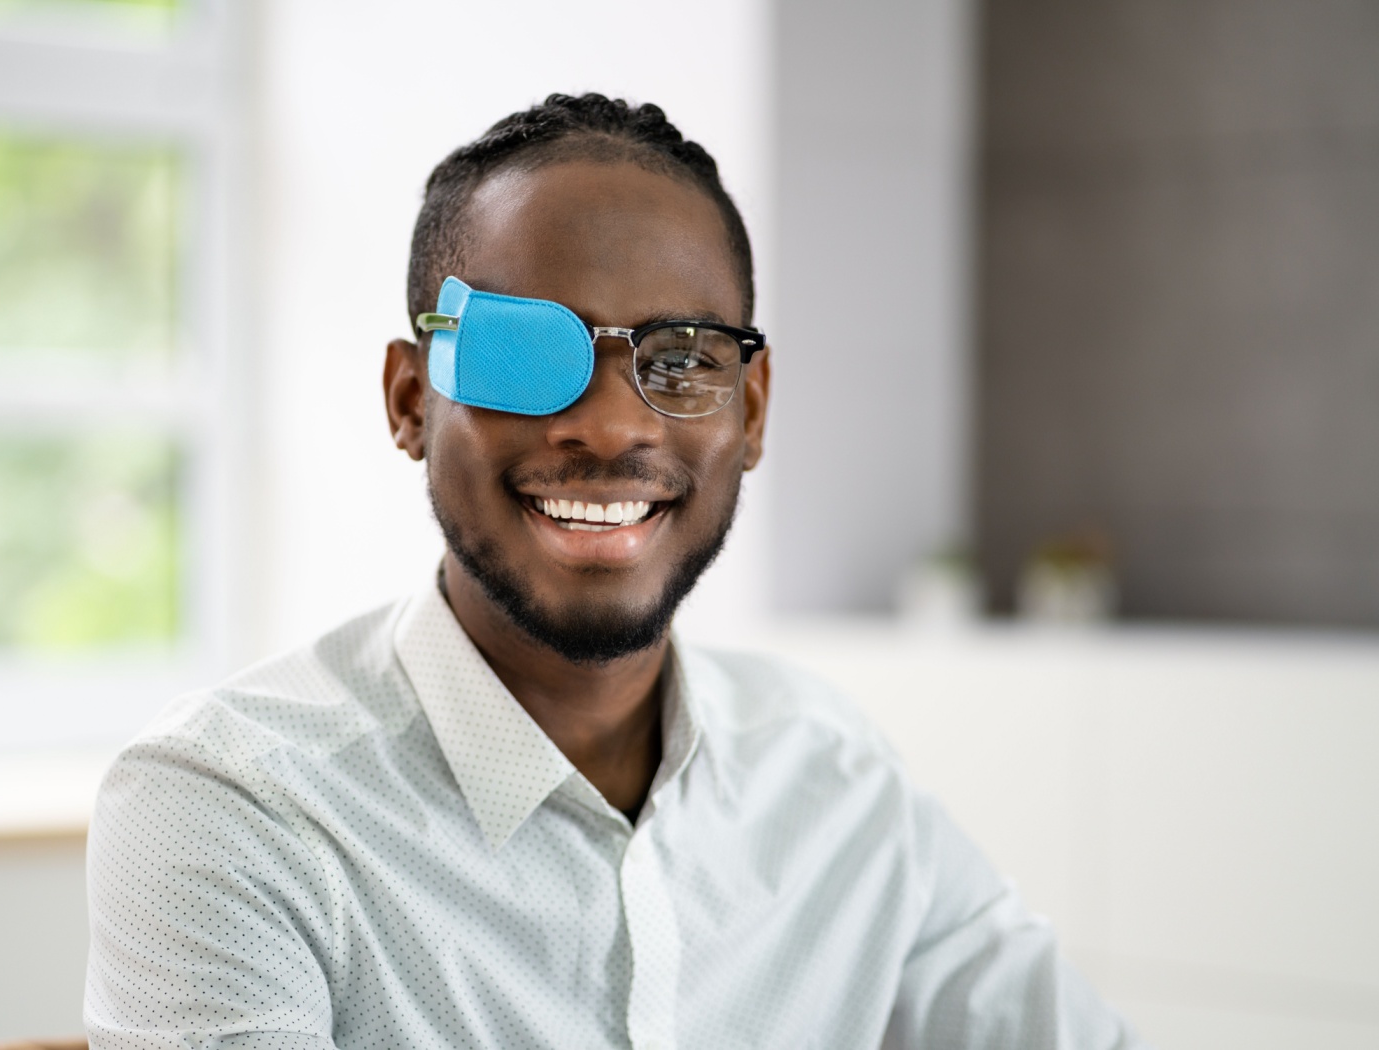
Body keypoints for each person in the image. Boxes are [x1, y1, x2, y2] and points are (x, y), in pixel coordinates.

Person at [84, 93, 1146, 1050]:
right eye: (519, 355)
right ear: (411, 401)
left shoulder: (834, 780)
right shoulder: (236, 808)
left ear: (753, 411)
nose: (606, 424)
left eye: (681, 359)